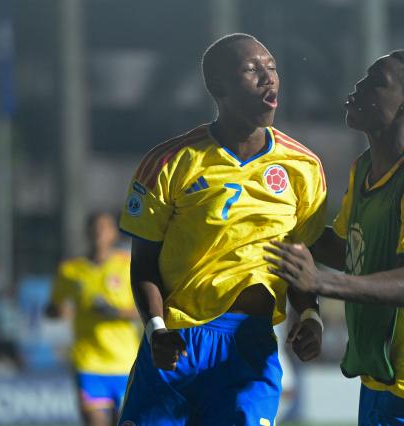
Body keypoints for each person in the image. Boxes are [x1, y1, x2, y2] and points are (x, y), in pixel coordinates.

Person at [117, 33, 326, 426]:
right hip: (176, 343)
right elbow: (143, 262)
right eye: (252, 70)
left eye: (272, 67)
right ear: (218, 87)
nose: (269, 78)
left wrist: (311, 316)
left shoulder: (304, 168)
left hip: (248, 348)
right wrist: (156, 329)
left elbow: (302, 260)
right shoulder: (169, 161)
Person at [266, 50, 404, 425]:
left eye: (376, 82)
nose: (358, 87)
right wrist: (280, 222)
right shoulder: (364, 167)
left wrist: (321, 282)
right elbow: (350, 249)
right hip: (380, 379)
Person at [47, 212, 140, 426]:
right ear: (86, 232)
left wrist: (115, 312)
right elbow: (51, 309)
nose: (99, 232)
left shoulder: (127, 265)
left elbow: (144, 309)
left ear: (113, 233)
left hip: (124, 364)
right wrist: (59, 311)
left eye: (104, 227)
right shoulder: (71, 270)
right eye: (95, 227)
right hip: (89, 363)